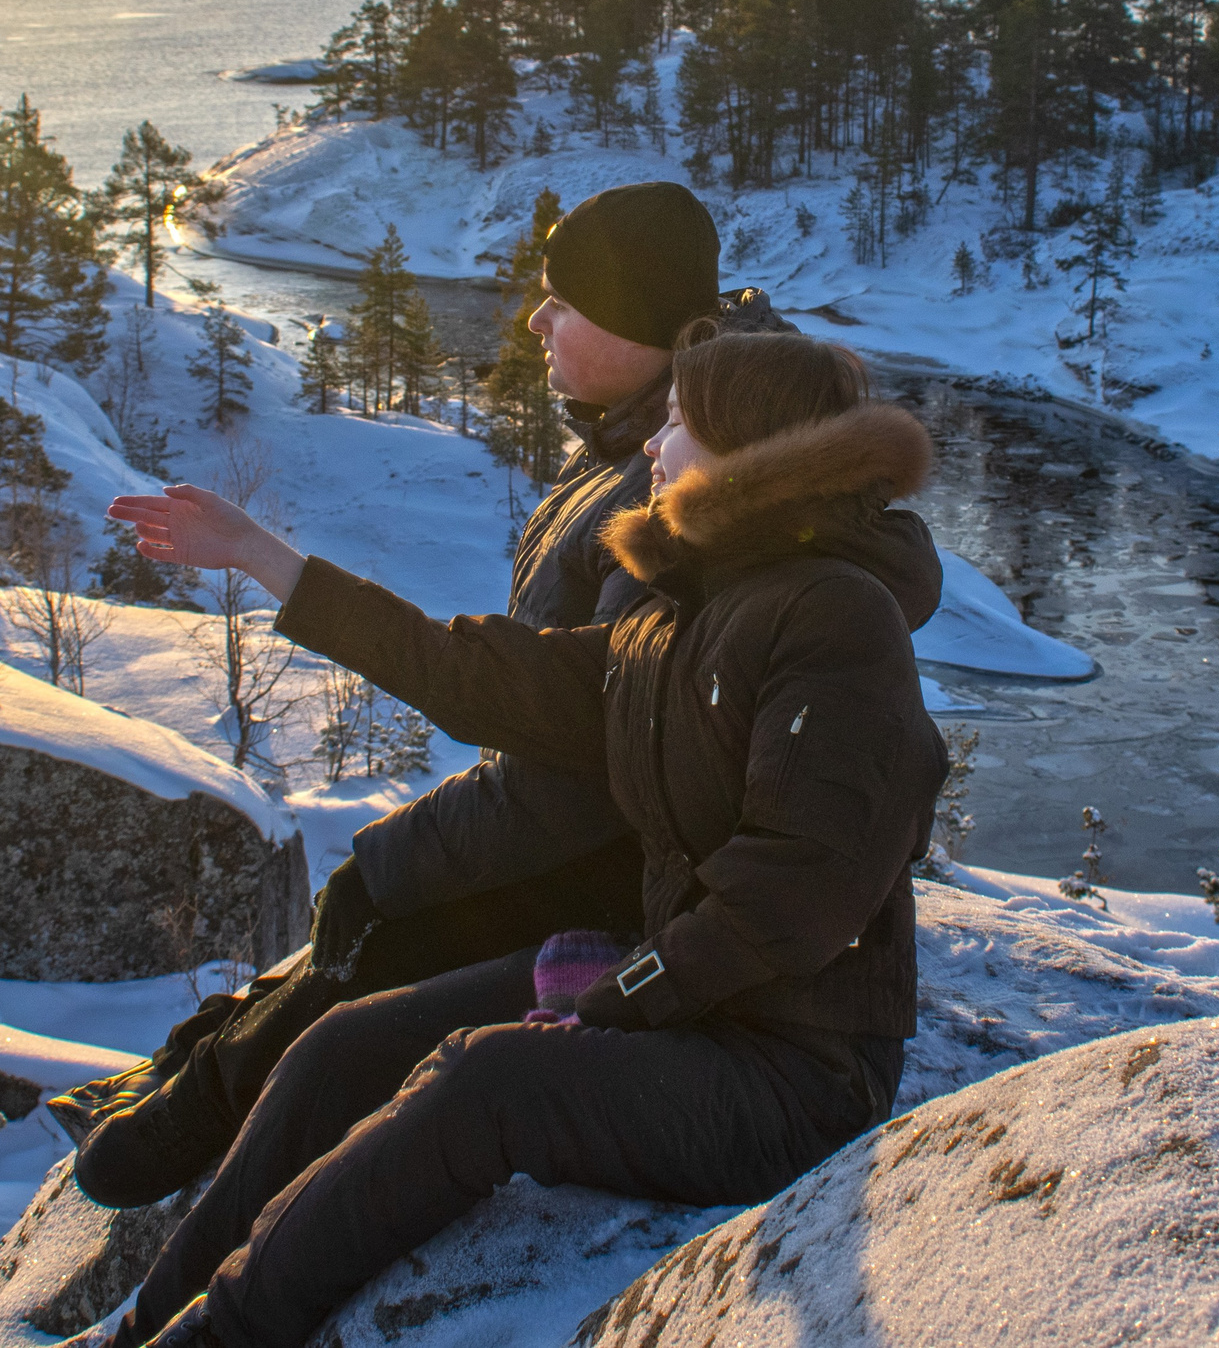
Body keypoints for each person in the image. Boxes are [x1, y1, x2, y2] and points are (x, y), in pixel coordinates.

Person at [100, 326, 947, 1347]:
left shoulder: (836, 617)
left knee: (482, 1082)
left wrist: (622, 995)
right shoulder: (677, 615)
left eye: (677, 422)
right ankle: (144, 1322)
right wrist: (264, 557)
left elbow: (799, 891)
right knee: (341, 1045)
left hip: (791, 1071)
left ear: (752, 449)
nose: (651, 446)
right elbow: (478, 674)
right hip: (690, 1010)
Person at [60, 181, 793, 1207]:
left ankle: (192, 1122)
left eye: (565, 303)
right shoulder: (639, 440)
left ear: (642, 330)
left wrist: (399, 859)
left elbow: (574, 753)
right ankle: (193, 1063)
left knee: (378, 930)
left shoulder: (668, 491)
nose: (535, 320)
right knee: (365, 910)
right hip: (577, 836)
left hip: (613, 866)